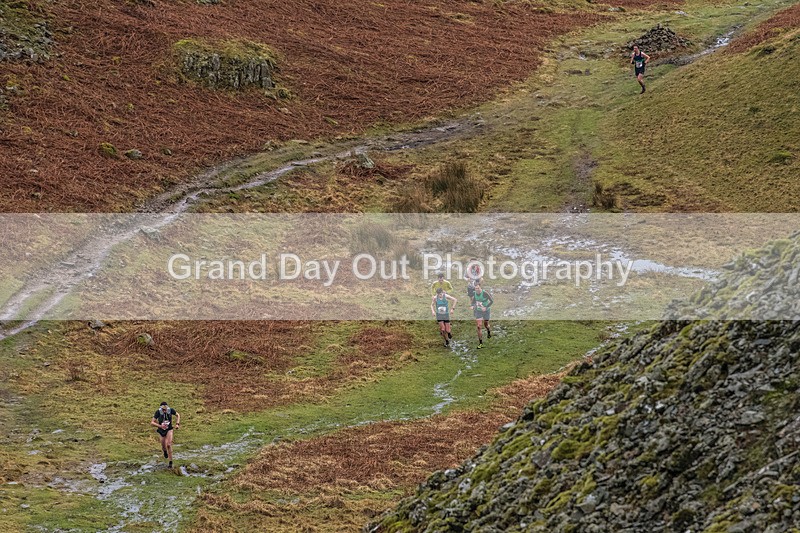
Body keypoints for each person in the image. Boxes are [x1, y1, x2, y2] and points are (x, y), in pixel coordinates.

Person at [151, 402, 180, 468]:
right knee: (164, 446)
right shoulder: (158, 412)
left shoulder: (171, 410)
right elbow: (152, 422)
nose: (164, 411)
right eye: (163, 410)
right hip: (161, 430)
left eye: (165, 409)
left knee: (169, 445)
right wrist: (160, 426)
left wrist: (177, 424)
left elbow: (178, 415)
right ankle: (165, 451)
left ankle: (170, 462)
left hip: (169, 429)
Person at [470, 283, 493, 349]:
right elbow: (474, 301)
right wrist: (472, 305)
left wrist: (486, 307)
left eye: (478, 288)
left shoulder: (485, 293)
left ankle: (488, 331)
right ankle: (481, 343)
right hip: (478, 311)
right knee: (479, 326)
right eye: (475, 288)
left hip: (486, 311)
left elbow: (491, 301)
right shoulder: (474, 293)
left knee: (486, 325)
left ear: (480, 288)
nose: (477, 290)